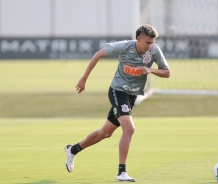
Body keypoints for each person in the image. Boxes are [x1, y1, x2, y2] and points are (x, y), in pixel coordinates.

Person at [65, 24, 170, 182]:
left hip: (131, 96)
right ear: (138, 39)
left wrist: (151, 70)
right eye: (148, 42)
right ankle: (121, 172)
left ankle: (73, 149)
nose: (151, 46)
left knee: (105, 133)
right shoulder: (125, 47)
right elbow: (98, 54)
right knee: (129, 129)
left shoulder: (154, 50)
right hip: (117, 91)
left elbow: (167, 72)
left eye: (153, 42)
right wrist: (84, 78)